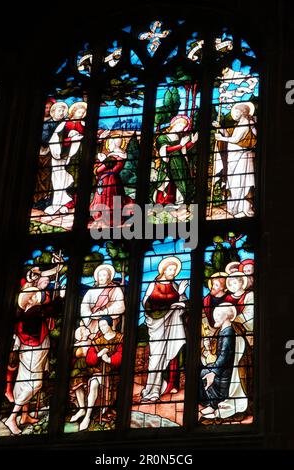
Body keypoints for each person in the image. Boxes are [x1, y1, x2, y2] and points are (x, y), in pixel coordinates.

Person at [4, 286, 63, 435]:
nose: (39, 297)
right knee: (35, 384)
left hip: (31, 353)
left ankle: (24, 416)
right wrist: (60, 298)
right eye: (36, 295)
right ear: (30, 299)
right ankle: (12, 418)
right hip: (33, 354)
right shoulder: (34, 312)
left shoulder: (29, 313)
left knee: (24, 383)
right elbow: (52, 310)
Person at [141, 256, 188, 402]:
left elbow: (184, 302)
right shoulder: (153, 284)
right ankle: (150, 388)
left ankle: (157, 389)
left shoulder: (175, 286)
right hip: (156, 324)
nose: (173, 272)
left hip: (171, 325)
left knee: (164, 356)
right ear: (163, 269)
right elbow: (146, 303)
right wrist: (172, 303)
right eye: (170, 269)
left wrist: (180, 298)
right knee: (155, 357)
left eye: (175, 269)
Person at [200, 303, 252, 420]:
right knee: (203, 370)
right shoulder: (223, 331)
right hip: (223, 367)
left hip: (226, 371)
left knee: (204, 373)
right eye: (215, 314)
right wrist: (208, 347)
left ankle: (214, 404)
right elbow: (217, 353)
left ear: (227, 316)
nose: (215, 317)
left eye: (218, 314)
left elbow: (225, 355)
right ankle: (211, 404)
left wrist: (213, 372)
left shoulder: (228, 332)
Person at [70, 316, 123, 431]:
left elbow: (121, 354)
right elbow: (90, 358)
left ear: (110, 325)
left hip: (113, 373)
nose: (102, 328)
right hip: (98, 372)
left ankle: (94, 412)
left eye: (104, 325)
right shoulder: (97, 340)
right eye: (100, 326)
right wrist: (99, 355)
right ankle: (87, 416)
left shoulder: (120, 338)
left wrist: (109, 360)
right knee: (92, 384)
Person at [213, 102, 256, 218]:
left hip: (242, 157)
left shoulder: (247, 123)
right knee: (234, 182)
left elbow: (236, 139)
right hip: (234, 157)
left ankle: (244, 209)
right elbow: (231, 136)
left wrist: (221, 138)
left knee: (241, 182)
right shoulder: (239, 123)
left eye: (237, 111)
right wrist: (221, 129)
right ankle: (235, 208)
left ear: (243, 112)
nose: (234, 114)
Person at [44, 101, 87, 215]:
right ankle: (58, 204)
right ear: (73, 112)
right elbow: (56, 140)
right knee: (59, 180)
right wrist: (70, 139)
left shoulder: (84, 125)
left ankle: (66, 203)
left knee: (69, 180)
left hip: (74, 158)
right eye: (79, 112)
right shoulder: (64, 124)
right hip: (60, 158)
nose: (81, 114)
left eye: (83, 112)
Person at [151, 115, 198, 207]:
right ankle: (163, 202)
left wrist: (192, 142)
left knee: (180, 182)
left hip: (180, 162)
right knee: (167, 181)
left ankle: (179, 201)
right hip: (169, 162)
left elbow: (183, 148)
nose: (182, 128)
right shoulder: (162, 137)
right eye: (180, 125)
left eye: (184, 127)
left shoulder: (178, 137)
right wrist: (180, 145)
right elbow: (165, 149)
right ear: (174, 124)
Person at [89, 136, 134, 226]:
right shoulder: (121, 156)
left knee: (105, 198)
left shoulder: (112, 158)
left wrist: (99, 164)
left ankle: (106, 219)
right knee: (116, 199)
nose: (108, 146)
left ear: (113, 144)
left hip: (107, 181)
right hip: (114, 181)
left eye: (109, 143)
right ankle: (115, 218)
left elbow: (99, 170)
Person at [80, 264, 125, 335]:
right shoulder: (91, 291)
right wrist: (90, 315)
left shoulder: (115, 289)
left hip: (109, 320)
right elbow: (84, 306)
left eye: (104, 275)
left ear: (108, 276)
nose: (101, 277)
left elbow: (120, 306)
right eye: (99, 275)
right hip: (92, 322)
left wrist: (104, 312)